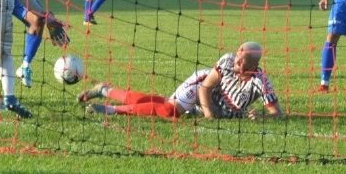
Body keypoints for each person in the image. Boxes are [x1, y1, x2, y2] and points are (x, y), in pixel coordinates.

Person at [79, 42, 284, 120]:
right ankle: (110, 110)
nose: (236, 63)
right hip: (201, 87)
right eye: (237, 57)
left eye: (242, 62)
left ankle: (105, 90)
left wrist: (263, 117)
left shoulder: (260, 81)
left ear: (253, 64)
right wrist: (208, 113)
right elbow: (205, 88)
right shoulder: (227, 61)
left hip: (211, 103)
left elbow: (278, 114)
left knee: (162, 104)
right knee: (169, 111)